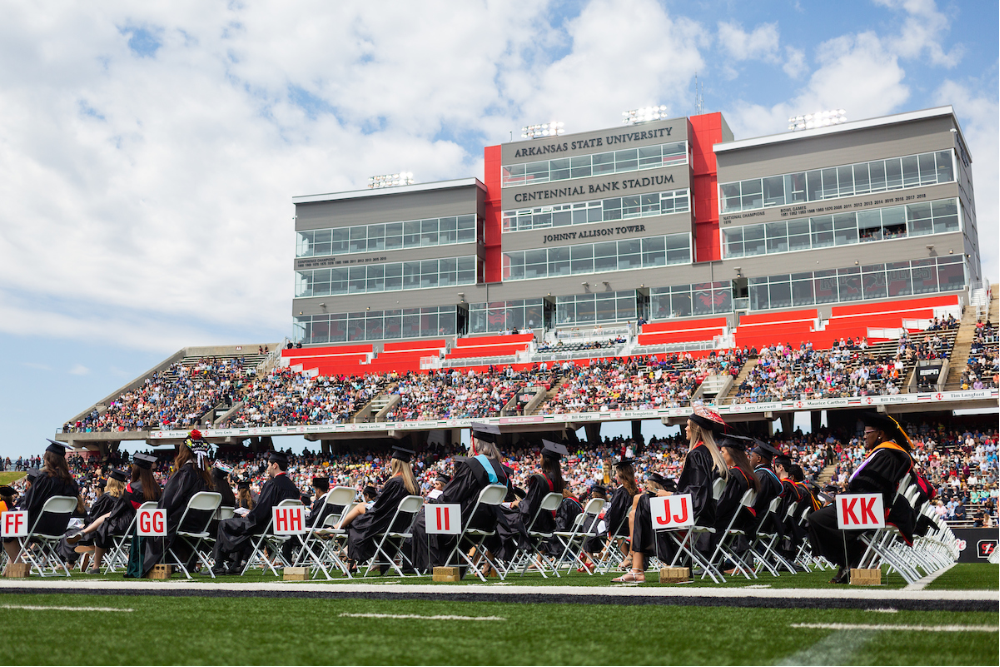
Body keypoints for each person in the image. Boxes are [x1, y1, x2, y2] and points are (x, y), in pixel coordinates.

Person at [616, 403, 727, 583]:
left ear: (696, 429)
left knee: (643, 501)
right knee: (639, 506)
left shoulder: (697, 454)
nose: (685, 428)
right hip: (704, 513)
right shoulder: (708, 453)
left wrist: (667, 495)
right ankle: (640, 565)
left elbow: (696, 496)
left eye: (688, 425)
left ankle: (638, 567)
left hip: (694, 513)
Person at [808, 412, 914, 584]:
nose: (863, 437)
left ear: (880, 434)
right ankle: (851, 558)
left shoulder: (886, 455)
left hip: (869, 509)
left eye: (867, 433)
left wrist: (841, 499)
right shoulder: (884, 453)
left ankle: (850, 558)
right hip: (867, 505)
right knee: (821, 518)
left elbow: (870, 488)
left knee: (816, 519)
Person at [405, 423, 508, 575]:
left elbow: (452, 495)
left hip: (465, 520)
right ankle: (454, 561)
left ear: (475, 444)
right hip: (488, 523)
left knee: (422, 519)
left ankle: (439, 565)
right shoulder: (499, 469)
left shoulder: (474, 465)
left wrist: (435, 503)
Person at [211, 450, 298, 575]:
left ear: (275, 465)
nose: (267, 468)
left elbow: (261, 511)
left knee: (224, 524)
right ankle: (236, 565)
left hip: (266, 528)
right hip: (284, 528)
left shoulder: (272, 484)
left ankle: (219, 565)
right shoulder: (293, 487)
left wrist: (250, 514)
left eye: (269, 465)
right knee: (241, 526)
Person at [139, 434, 214, 577]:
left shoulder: (185, 472)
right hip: (201, 525)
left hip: (182, 524)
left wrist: (159, 512)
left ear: (183, 453)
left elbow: (168, 501)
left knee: (148, 521)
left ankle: (146, 566)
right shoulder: (206, 476)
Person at [338, 444, 419, 572]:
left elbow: (381, 507)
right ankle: (354, 556)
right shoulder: (414, 485)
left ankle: (340, 536)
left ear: (395, 463)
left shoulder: (395, 481)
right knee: (361, 514)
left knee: (357, 522)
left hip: (386, 523)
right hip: (402, 525)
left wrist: (370, 507)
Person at [3, 440, 79, 565]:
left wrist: (18, 510)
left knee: (7, 524)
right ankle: (11, 566)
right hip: (60, 528)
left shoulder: (45, 478)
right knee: (14, 525)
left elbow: (30, 504)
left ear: (48, 458)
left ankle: (18, 565)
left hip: (39, 526)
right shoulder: (72, 483)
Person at [602, 456, 639, 566]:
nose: (616, 475)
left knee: (605, 525)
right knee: (616, 527)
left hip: (622, 527)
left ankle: (606, 551)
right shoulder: (634, 490)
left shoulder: (622, 491)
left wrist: (606, 516)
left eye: (617, 473)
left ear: (622, 474)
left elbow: (615, 512)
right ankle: (612, 553)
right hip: (630, 525)